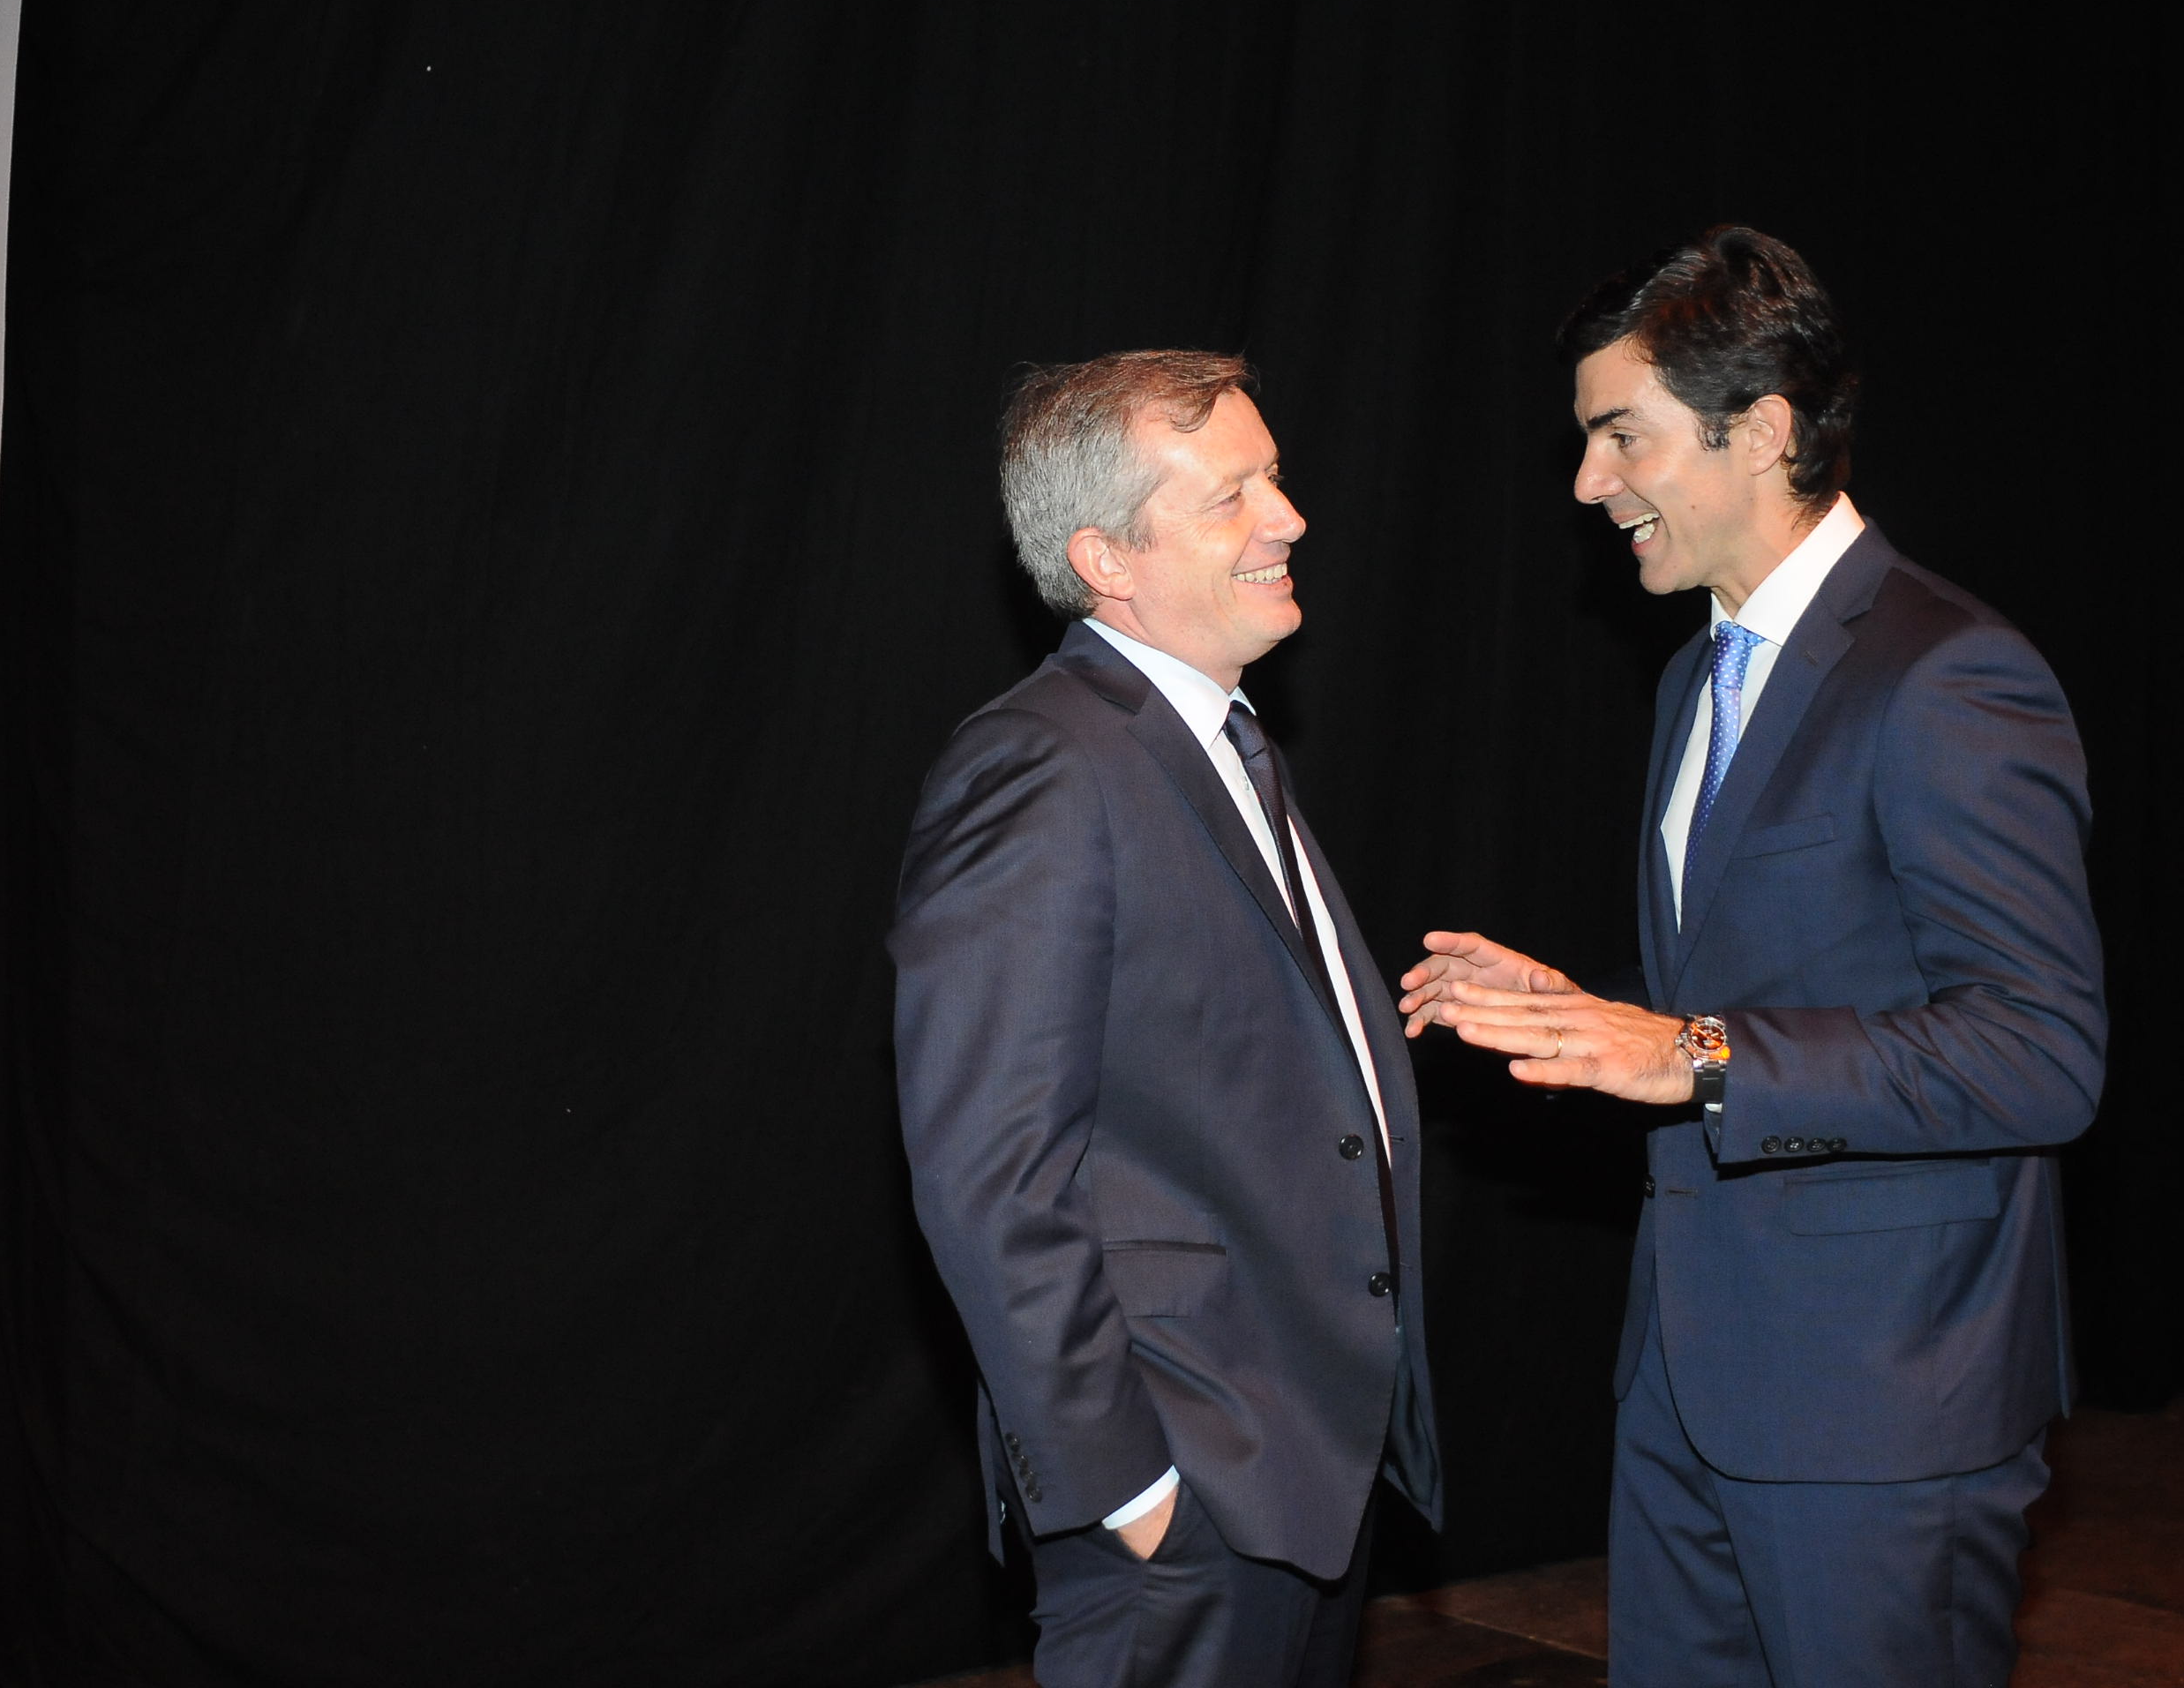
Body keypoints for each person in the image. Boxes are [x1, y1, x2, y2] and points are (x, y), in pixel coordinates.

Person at [1400, 227, 2105, 1686]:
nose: (1590, 484)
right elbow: (1773, 990)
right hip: (1689, 1380)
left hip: (1881, 1413)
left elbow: (2042, 1052)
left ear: (1765, 430)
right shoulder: (1696, 674)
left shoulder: (1948, 676)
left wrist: (1691, 1051)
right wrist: (1603, 1018)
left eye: (1621, 438)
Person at [892, 351, 1439, 1688]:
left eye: (1276, 476)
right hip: (1191, 1490)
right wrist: (1128, 1487)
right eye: (1231, 495)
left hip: (1300, 1472)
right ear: (1107, 558)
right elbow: (988, 1170)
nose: (1289, 516)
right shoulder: (1044, 766)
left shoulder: (1217, 741)